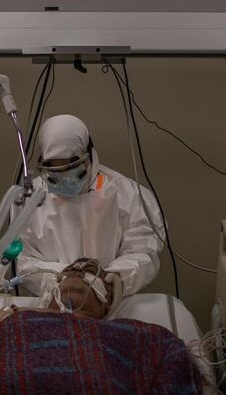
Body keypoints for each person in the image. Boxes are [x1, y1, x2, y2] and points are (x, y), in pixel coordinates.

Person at [16, 114, 164, 316]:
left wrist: (113, 281)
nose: (64, 178)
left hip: (112, 307)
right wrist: (60, 281)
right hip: (52, 305)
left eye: (70, 167)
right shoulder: (29, 199)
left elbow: (144, 250)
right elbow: (21, 258)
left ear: (90, 156)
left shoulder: (129, 195)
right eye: (54, 171)